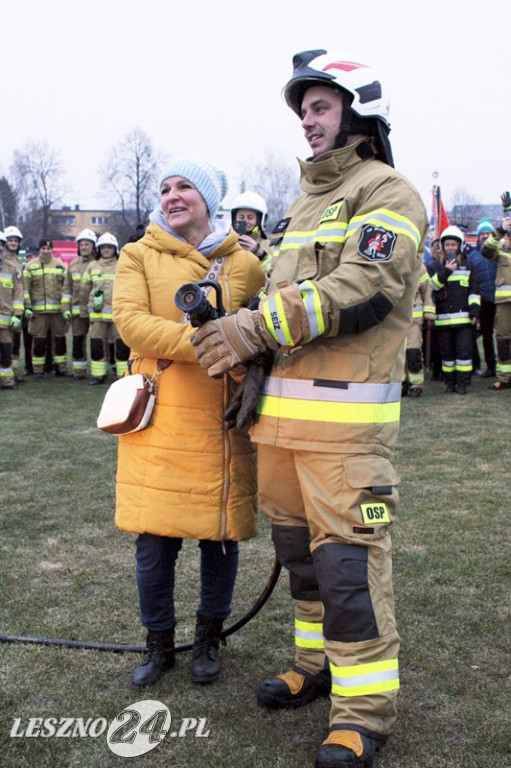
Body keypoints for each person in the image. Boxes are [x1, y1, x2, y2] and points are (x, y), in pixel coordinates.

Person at [192, 50, 428, 768]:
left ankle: (363, 713)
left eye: (321, 106)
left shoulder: (388, 192)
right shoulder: (303, 204)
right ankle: (316, 666)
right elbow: (281, 300)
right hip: (281, 429)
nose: (307, 119)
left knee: (350, 573)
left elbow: (361, 287)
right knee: (301, 566)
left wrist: (252, 331)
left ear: (358, 114)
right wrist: (246, 344)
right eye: (304, 108)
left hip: (346, 438)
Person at [112, 157, 265, 689]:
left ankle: (208, 638)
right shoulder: (137, 254)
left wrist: (246, 358)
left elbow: (264, 333)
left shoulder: (245, 267)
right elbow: (132, 325)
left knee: (219, 538)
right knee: (154, 543)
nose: (173, 196)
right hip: (159, 418)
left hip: (221, 419)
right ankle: (158, 644)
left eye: (185, 188)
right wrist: (211, 345)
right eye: (166, 188)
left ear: (208, 199)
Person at [430, 226, 480, 395]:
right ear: (443, 247)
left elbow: (474, 291)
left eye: (453, 244)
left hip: (464, 320)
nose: (450, 247)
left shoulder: (469, 265)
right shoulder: (436, 266)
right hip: (443, 320)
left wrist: (475, 313)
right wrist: (446, 271)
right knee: (447, 355)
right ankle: (449, 383)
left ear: (460, 245)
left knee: (464, 354)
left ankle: (462, 384)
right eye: (447, 244)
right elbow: (432, 287)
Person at [81, 232, 129, 385]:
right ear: (99, 249)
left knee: (121, 345)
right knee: (97, 344)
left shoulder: (122, 265)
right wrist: (89, 305)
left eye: (109, 247)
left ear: (115, 249)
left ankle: (123, 375)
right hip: (97, 315)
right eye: (103, 247)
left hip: (118, 314)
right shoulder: (92, 266)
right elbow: (84, 288)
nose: (106, 250)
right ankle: (98, 375)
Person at [23, 238, 69, 379]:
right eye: (43, 248)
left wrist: (65, 308)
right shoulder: (30, 266)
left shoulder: (60, 265)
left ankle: (61, 369)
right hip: (38, 313)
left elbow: (65, 289)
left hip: (57, 313)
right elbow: (25, 289)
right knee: (39, 343)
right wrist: (28, 308)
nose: (46, 251)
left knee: (60, 342)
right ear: (39, 250)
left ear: (52, 250)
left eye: (49, 248)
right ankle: (38, 370)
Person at [481, 197, 511, 390]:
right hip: (504, 302)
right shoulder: (501, 244)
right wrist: (500, 230)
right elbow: (485, 251)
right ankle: (504, 378)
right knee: (502, 338)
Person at [62, 228, 97, 379]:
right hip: (77, 312)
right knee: (77, 342)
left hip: (96, 311)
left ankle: (103, 370)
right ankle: (79, 371)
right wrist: (65, 308)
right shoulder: (73, 265)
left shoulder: (98, 263)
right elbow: (67, 288)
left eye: (87, 244)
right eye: (82, 244)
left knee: (99, 341)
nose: (84, 247)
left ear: (93, 246)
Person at [467, 218, 497, 378]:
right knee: (486, 335)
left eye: (488, 233)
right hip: (484, 299)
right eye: (482, 233)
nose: (485, 236)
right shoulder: (472, 256)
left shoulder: (499, 250)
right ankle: (491, 366)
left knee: (504, 335)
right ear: (478, 236)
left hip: (501, 298)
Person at [403, 263, 435, 398]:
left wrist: (429, 315)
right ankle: (401, 383)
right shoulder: (390, 263)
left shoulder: (419, 268)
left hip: (414, 322)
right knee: (397, 356)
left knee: (413, 352)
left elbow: (427, 291)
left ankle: (416, 385)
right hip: (394, 322)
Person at [3, 225, 31, 378]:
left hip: (16, 311)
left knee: (15, 345)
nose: (13, 243)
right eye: (10, 240)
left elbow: (21, 289)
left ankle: (11, 373)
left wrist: (25, 308)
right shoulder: (3, 261)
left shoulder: (19, 262)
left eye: (15, 240)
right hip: (5, 309)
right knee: (5, 344)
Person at [0, 231, 24, 389]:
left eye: (1, 245)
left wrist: (17, 314)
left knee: (6, 351)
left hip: (6, 318)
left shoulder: (11, 268)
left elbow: (18, 292)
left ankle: (7, 381)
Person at [230, 191, 272, 272]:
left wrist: (258, 252)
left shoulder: (270, 247)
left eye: (250, 217)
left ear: (260, 220)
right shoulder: (225, 243)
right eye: (241, 217)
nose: (245, 221)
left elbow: (275, 274)